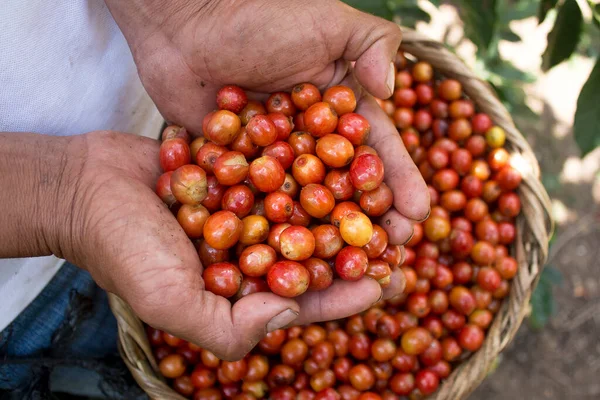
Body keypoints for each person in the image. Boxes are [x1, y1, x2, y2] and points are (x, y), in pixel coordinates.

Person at [0, 0, 429, 397]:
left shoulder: (255, 168)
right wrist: (61, 196)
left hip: (146, 103)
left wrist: (179, 14)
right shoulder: (259, 186)